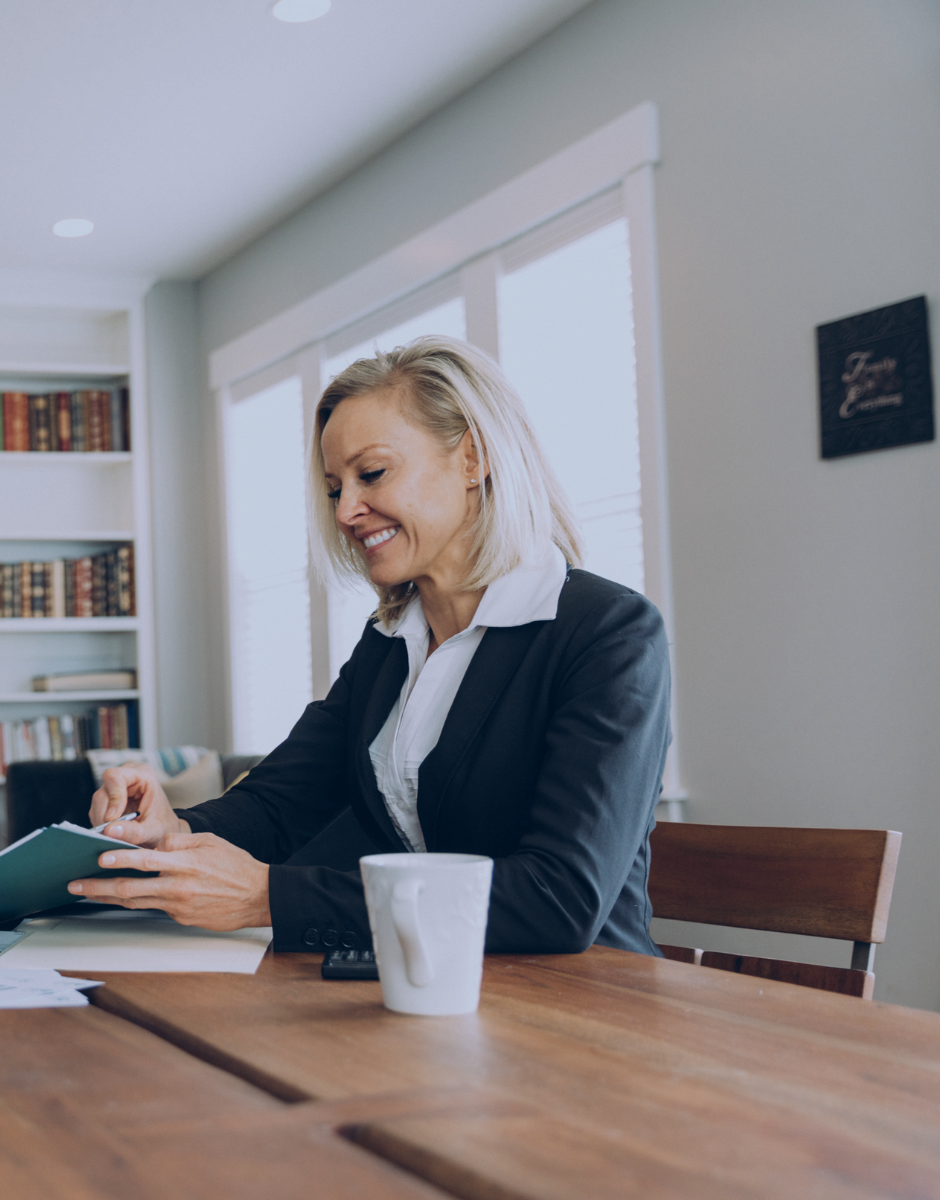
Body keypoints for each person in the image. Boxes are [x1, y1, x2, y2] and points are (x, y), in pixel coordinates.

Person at [75, 336, 670, 955]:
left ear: (474, 458)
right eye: (335, 488)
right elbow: (282, 803)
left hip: (587, 1007)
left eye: (373, 473)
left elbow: (558, 899)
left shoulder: (609, 633)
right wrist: (173, 828)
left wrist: (268, 897)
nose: (346, 510)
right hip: (437, 989)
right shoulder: (391, 641)